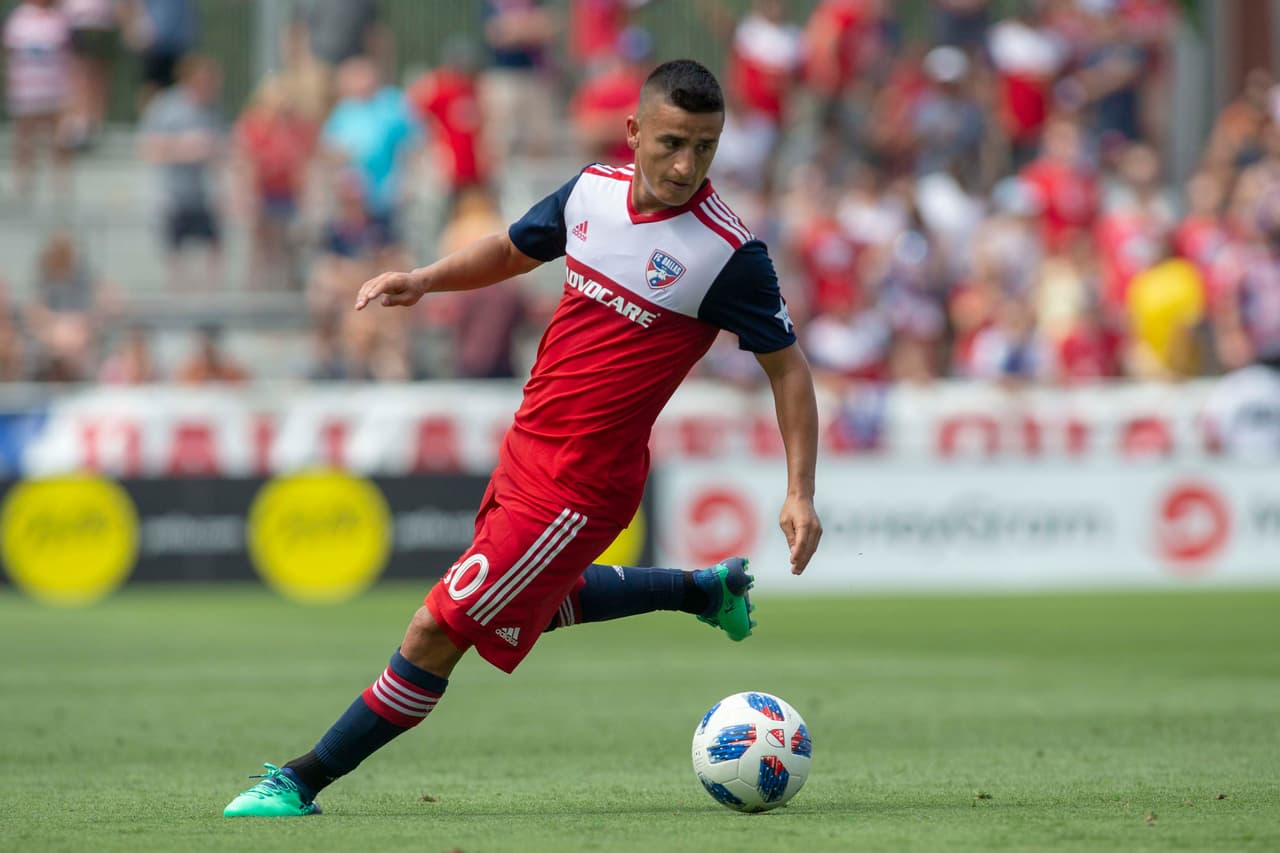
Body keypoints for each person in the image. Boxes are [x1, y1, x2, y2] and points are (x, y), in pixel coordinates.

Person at [222, 59, 822, 818]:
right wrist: (425, 279)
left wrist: (799, 491)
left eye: (704, 147)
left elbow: (789, 371)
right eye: (672, 142)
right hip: (526, 449)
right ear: (633, 130)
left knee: (438, 627)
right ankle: (703, 587)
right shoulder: (592, 193)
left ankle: (300, 781)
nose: (685, 164)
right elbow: (511, 248)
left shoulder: (728, 254)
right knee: (522, 603)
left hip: (581, 485)